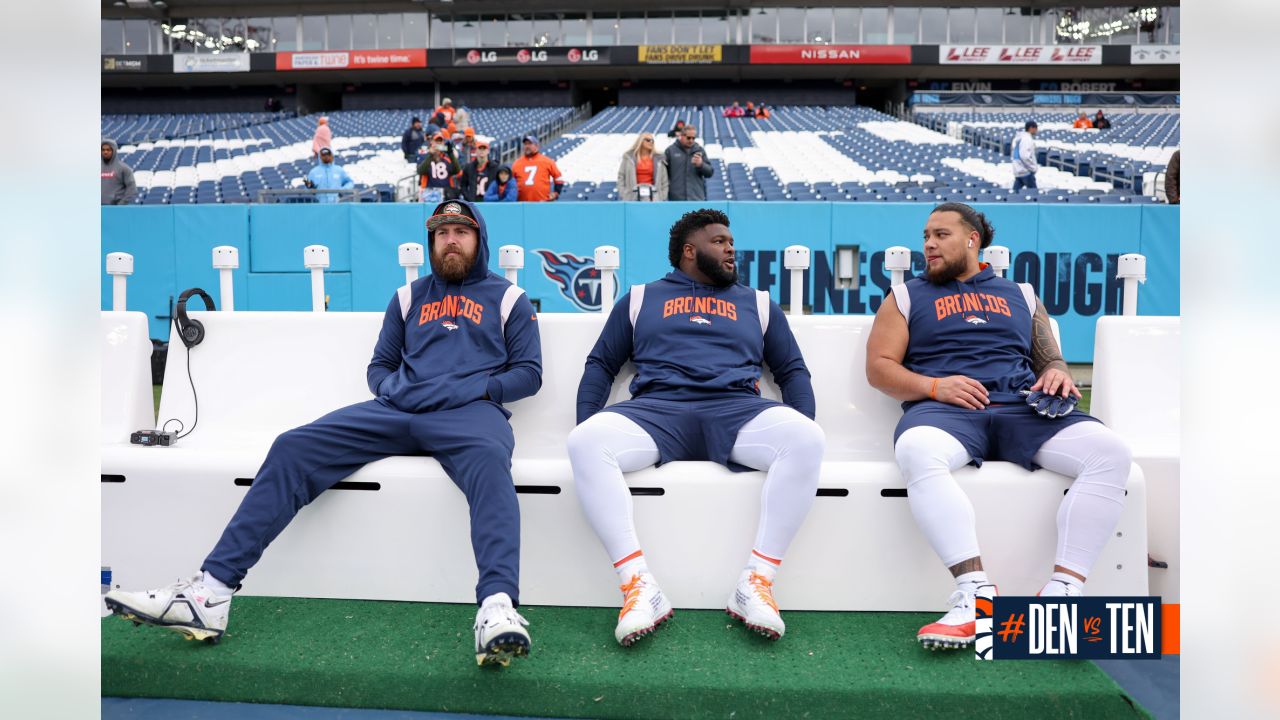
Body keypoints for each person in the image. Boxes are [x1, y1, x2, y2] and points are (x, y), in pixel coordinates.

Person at [105, 199, 544, 668]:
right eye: (441, 233)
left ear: (480, 239)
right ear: (432, 242)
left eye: (460, 231)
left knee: (491, 466)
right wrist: (402, 391)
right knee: (294, 446)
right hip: (398, 410)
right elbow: (379, 368)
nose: (450, 240)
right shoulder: (408, 298)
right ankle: (210, 594)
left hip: (468, 415)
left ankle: (497, 606)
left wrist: (471, 389)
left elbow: (529, 374)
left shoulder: (508, 298)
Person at [864, 203, 1131, 651]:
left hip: (1021, 404)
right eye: (925, 235)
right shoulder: (905, 296)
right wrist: (933, 386)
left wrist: (1060, 372)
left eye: (941, 234)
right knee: (917, 451)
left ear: (973, 240)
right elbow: (879, 369)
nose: (928, 244)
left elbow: (1050, 356)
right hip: (947, 407)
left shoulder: (1021, 293)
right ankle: (974, 594)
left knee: (1111, 453)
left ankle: (1063, 594)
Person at [568, 208, 824, 646]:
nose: (730, 248)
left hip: (735, 408)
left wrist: (800, 420)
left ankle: (756, 583)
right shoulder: (639, 298)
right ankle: (638, 585)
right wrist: (590, 420)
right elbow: (600, 366)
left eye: (731, 241)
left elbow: (792, 373)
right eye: (719, 241)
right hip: (657, 409)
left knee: (807, 438)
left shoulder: (758, 302)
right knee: (585, 442)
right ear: (690, 251)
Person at [664, 125, 714, 201]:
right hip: (676, 199)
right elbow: (664, 175)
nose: (691, 140)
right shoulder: (670, 151)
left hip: (696, 197)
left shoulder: (700, 150)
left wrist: (701, 165)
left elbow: (710, 172)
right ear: (681, 136)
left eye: (693, 138)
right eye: (688, 138)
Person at [616, 133, 668, 201]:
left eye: (652, 140)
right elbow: (621, 176)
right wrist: (624, 194)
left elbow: (664, 180)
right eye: (648, 140)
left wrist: (662, 196)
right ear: (640, 141)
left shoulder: (659, 159)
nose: (651, 142)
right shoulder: (628, 158)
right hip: (632, 197)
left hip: (653, 198)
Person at [511, 135, 564, 202]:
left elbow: (558, 178)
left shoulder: (547, 161)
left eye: (530, 144)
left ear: (537, 146)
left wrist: (556, 193)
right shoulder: (517, 163)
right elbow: (510, 183)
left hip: (542, 203)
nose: (527, 146)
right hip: (522, 204)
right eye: (525, 144)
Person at [418, 134, 462, 201]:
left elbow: (457, 170)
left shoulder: (447, 157)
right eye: (436, 141)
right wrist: (431, 155)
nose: (438, 143)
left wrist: (450, 153)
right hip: (429, 192)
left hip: (446, 192)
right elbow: (420, 171)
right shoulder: (425, 155)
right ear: (432, 142)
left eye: (440, 141)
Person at [101, 139, 137, 205]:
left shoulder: (124, 168)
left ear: (114, 151)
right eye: (103, 150)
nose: (105, 152)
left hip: (115, 208)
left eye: (108, 150)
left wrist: (121, 204)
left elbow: (132, 189)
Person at [1010, 120, 1038, 193]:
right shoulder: (1027, 139)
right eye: (1036, 128)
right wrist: (1032, 168)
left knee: (1015, 194)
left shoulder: (1017, 138)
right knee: (1034, 194)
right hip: (1025, 171)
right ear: (1031, 128)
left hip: (1018, 169)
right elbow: (1024, 156)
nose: (1036, 131)